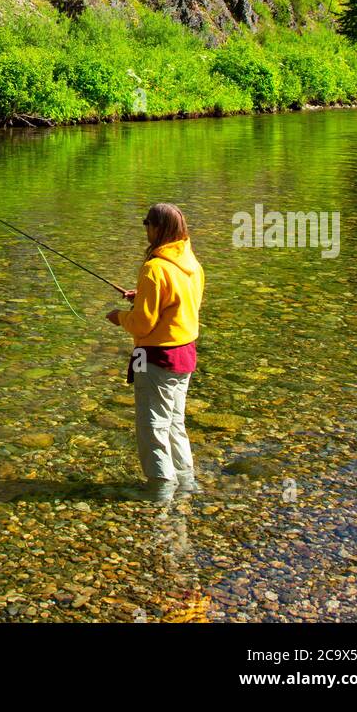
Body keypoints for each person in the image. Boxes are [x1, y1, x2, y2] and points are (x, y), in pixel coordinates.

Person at [106, 202, 204, 500]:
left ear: (159, 228)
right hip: (185, 354)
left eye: (147, 223)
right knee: (175, 422)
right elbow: (181, 303)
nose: (145, 228)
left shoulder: (154, 268)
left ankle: (160, 488)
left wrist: (119, 317)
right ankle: (186, 481)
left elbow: (143, 326)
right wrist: (143, 296)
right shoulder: (191, 263)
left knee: (152, 426)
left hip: (157, 358)